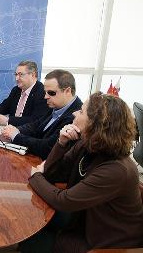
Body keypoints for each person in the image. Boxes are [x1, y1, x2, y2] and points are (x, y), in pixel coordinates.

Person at [24, 92, 143, 253]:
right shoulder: (87, 145)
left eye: (81, 111)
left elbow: (64, 201)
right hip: (83, 218)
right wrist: (61, 142)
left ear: (95, 124)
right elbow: (52, 175)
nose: (74, 113)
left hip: (106, 242)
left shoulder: (117, 170)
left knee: (33, 243)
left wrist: (35, 176)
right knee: (31, 222)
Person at [2, 69, 82, 159]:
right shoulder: (57, 105)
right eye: (45, 92)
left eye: (51, 93)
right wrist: (16, 129)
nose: (45, 96)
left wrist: (16, 136)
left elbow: (46, 147)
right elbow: (36, 125)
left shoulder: (76, 116)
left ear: (67, 91)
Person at [0, 60, 50, 126]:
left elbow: (36, 120)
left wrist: (8, 120)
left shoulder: (42, 92)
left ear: (33, 75)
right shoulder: (16, 90)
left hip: (26, 133)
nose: (16, 78)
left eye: (20, 74)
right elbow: (5, 105)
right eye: (16, 74)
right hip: (9, 130)